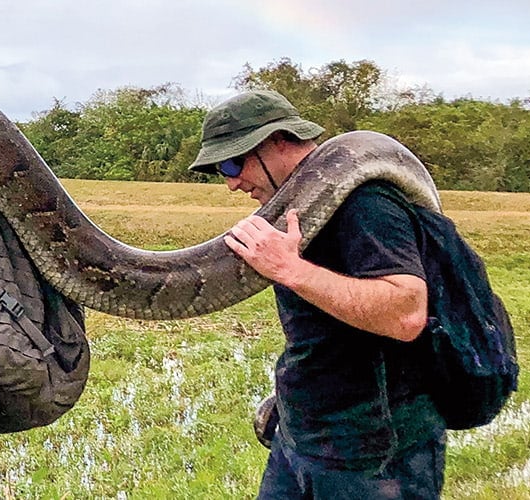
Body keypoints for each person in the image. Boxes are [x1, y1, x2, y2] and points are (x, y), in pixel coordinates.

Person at [189, 90, 445, 498]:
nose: (231, 183)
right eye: (221, 169)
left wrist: (291, 270)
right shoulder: (299, 207)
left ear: (277, 141)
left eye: (233, 162)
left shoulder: (368, 202)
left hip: (373, 457)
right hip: (305, 441)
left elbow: (406, 313)